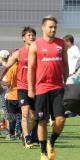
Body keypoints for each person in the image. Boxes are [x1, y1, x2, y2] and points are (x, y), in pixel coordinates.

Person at [28, 15, 68, 160]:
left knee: (61, 120)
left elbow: (65, 64)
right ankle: (44, 152)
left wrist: (66, 81)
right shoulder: (35, 45)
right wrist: (31, 89)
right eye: (50, 27)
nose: (53, 29)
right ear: (43, 27)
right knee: (42, 121)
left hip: (58, 88)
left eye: (55, 27)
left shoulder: (61, 43)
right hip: (41, 89)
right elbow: (31, 68)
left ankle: (52, 141)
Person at [0, 27, 36, 148]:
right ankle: (27, 137)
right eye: (29, 35)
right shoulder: (19, 53)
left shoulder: (39, 52)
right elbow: (6, 67)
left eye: (33, 35)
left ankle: (27, 134)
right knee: (25, 112)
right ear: (23, 38)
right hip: (22, 87)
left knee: (33, 116)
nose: (32, 37)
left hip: (35, 87)